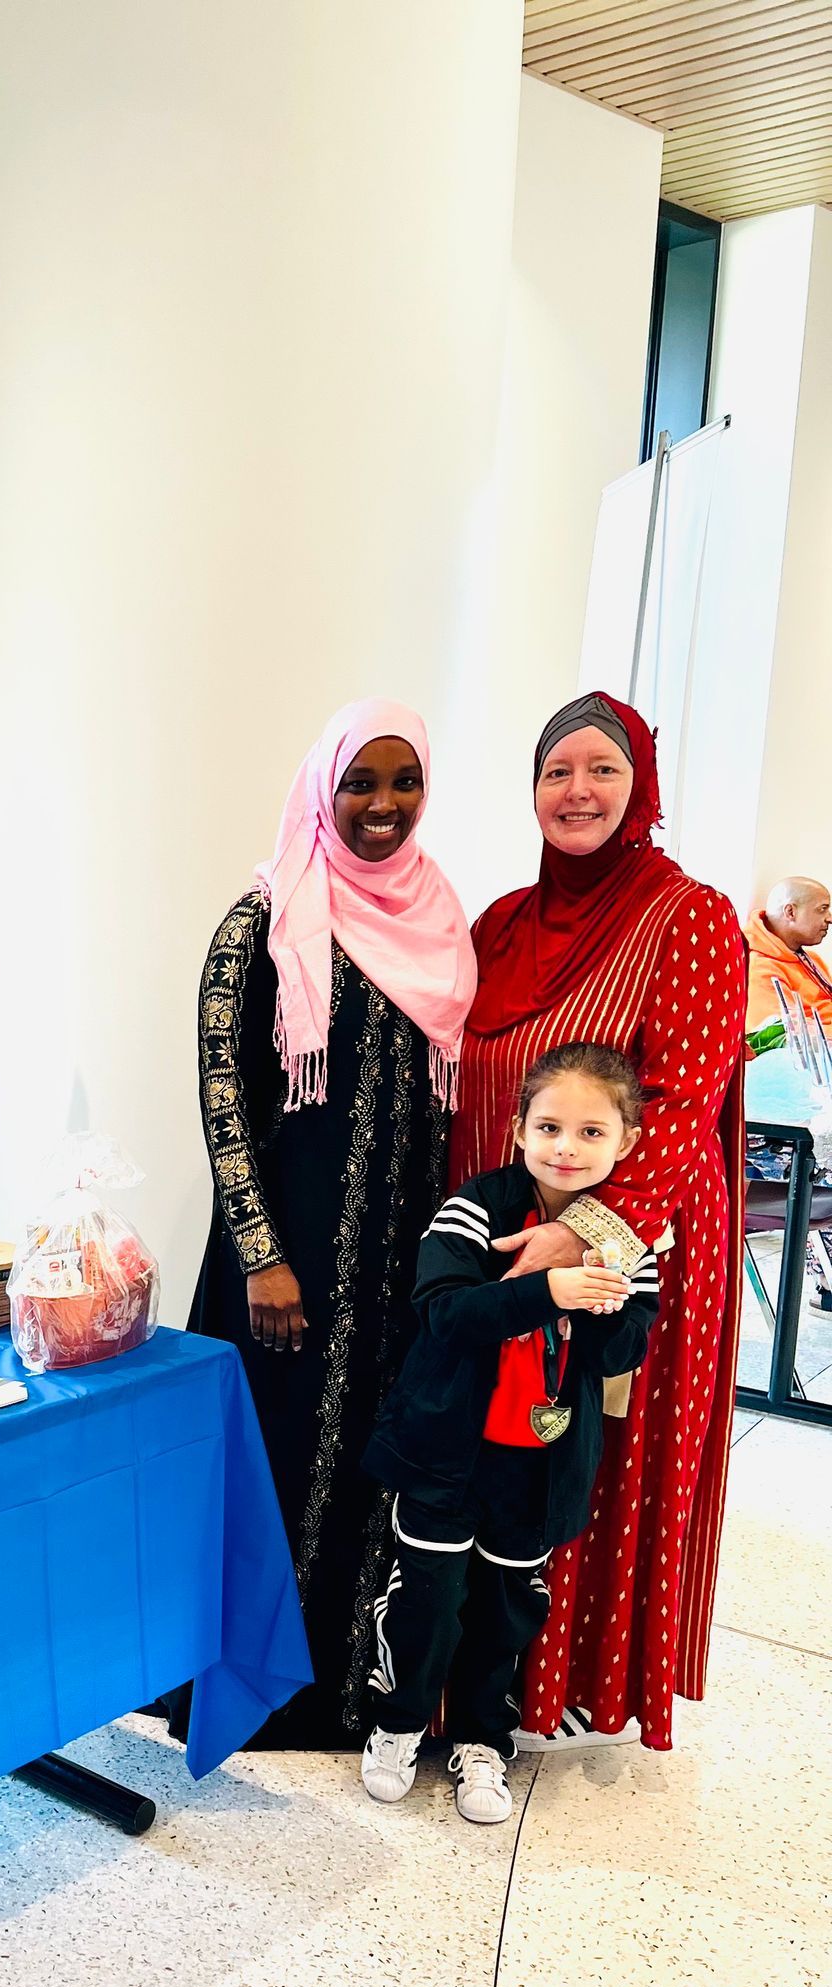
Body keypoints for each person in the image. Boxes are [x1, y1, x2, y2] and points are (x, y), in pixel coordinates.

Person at [453, 693, 745, 1753]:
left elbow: (682, 1102)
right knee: (486, 1452)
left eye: (603, 769)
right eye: (556, 771)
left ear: (641, 788)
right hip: (502, 1242)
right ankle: (458, 1681)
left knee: (584, 1455)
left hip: (627, 1246)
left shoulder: (688, 916)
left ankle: (560, 1686)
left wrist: (580, 1239)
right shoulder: (500, 924)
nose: (577, 792)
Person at [189, 699, 477, 1746]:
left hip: (396, 1262)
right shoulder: (263, 919)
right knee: (273, 1466)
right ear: (324, 787)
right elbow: (223, 1095)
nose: (383, 804)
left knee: (364, 1464)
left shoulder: (440, 918)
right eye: (361, 781)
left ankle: (349, 1693)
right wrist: (261, 1256)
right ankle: (244, 1690)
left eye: (404, 781)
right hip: (289, 1265)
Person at [360, 1046, 659, 1823]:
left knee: (507, 1610)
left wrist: (602, 1304)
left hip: (542, 1466)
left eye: (591, 1132)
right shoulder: (474, 1208)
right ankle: (396, 1724)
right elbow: (444, 1313)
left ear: (626, 1141)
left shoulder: (627, 1239)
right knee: (427, 1599)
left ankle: (483, 1739)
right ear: (519, 1127)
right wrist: (550, 1289)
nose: (566, 1148)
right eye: (549, 1126)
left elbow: (623, 1353)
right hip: (445, 1452)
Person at [746, 876, 832, 1031]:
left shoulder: (812, 959)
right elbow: (782, 1034)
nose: (829, 918)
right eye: (822, 909)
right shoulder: (759, 967)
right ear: (790, 912)